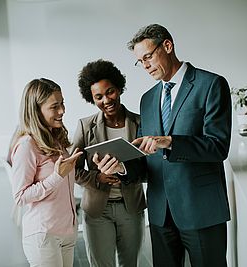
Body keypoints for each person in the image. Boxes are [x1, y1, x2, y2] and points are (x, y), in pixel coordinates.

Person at [94, 24, 232, 267]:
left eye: (148, 56)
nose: (145, 66)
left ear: (167, 46)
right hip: (161, 213)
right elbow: (148, 159)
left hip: (201, 210)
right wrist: (120, 168)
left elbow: (218, 147)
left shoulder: (211, 85)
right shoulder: (148, 99)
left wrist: (170, 142)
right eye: (140, 61)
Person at [70, 59, 146, 267]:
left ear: (119, 88)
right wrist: (97, 177)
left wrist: (125, 170)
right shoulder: (85, 127)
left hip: (131, 208)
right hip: (97, 212)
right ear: (91, 99)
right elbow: (72, 170)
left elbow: (151, 168)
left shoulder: (141, 123)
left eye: (110, 91)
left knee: (130, 264)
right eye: (98, 97)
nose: (106, 100)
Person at [7, 78, 83, 267]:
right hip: (44, 235)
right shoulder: (27, 145)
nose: (62, 111)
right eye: (55, 106)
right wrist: (56, 177)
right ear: (36, 110)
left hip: (66, 231)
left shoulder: (56, 140)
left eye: (62, 103)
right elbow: (20, 196)